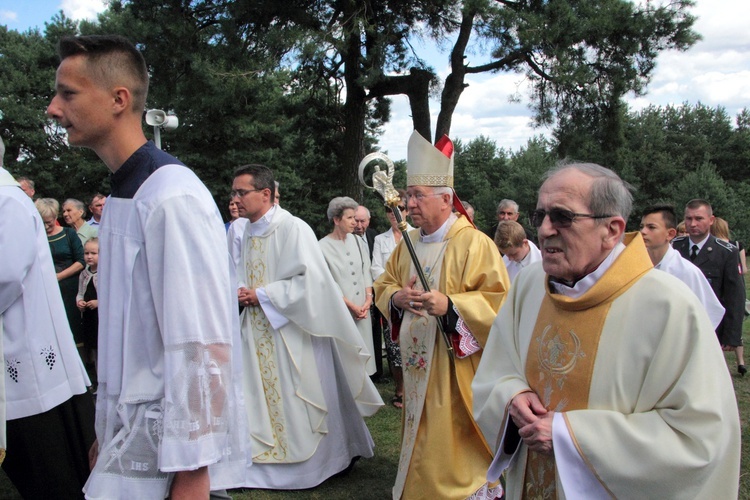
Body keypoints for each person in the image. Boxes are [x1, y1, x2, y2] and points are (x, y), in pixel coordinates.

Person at [46, 34, 247, 498]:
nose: (54, 109)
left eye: (68, 93)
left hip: (169, 446)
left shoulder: (171, 195)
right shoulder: (123, 196)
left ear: (119, 99)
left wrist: (193, 475)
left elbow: (202, 344)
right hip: (130, 427)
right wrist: (107, 428)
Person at [473, 163, 741, 499]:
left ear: (612, 230)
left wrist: (569, 436)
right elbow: (496, 368)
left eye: (562, 217)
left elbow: (698, 438)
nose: (543, 229)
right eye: (539, 215)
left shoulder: (668, 306)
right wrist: (512, 395)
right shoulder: (529, 285)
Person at [374, 130, 509, 499]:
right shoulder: (409, 244)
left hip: (452, 368)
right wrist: (397, 297)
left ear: (446, 200)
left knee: (447, 434)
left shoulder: (473, 243)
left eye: (418, 196)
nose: (409, 204)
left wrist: (452, 306)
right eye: (408, 196)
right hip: (418, 362)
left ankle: (458, 488)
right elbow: (383, 285)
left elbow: (498, 302)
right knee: (418, 429)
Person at [230, 164, 382, 489]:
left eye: (242, 192)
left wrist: (264, 294)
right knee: (254, 395)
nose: (236, 199)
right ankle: (257, 466)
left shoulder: (293, 228)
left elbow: (311, 282)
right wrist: (241, 290)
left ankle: (318, 464)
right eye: (235, 192)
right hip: (255, 328)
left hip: (293, 328)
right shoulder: (242, 231)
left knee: (302, 397)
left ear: (266, 194)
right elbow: (238, 270)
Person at [0, 137, 95, 499]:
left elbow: (5, 275)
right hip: (22, 343)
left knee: (50, 466)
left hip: (24, 348)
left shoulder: (7, 203)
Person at [673, 199, 746, 376]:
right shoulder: (675, 247)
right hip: (678, 323)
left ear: (711, 220)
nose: (692, 224)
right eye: (688, 218)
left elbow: (734, 296)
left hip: (710, 325)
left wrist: (731, 335)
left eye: (699, 218)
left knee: (706, 374)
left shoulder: (727, 252)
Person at [640, 204, 725, 329]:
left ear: (670, 234)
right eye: (641, 226)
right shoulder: (637, 266)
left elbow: (708, 314)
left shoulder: (687, 272)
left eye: (651, 227)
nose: (643, 232)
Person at [320, 197, 377, 376]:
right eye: (350, 218)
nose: (355, 222)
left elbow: (366, 271)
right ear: (337, 220)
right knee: (346, 360)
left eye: (356, 218)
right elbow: (328, 283)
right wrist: (351, 306)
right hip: (341, 310)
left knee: (364, 356)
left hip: (363, 310)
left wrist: (368, 300)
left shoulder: (359, 242)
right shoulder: (321, 247)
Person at [371, 190, 414, 409]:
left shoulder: (417, 235)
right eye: (389, 209)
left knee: (415, 343)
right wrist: (395, 290)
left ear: (407, 209)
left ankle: (416, 386)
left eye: (399, 208)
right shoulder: (380, 239)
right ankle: (399, 389)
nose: (394, 213)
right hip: (392, 299)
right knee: (394, 345)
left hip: (414, 297)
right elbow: (376, 268)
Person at [36, 197, 85, 349]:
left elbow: (80, 262)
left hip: (69, 289)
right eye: (42, 222)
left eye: (48, 222)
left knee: (73, 326)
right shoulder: (36, 237)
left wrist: (58, 277)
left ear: (55, 217)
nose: (45, 226)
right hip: (45, 290)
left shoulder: (69, 234)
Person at [708, 215, 747, 374]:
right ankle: (741, 361)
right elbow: (743, 269)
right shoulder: (737, 245)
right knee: (734, 323)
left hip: (718, 291)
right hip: (736, 286)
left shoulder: (719, 249)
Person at [353, 204, 382, 378]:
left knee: (376, 332)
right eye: (355, 220)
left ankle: (377, 370)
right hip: (356, 292)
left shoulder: (374, 237)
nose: (358, 225)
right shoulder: (346, 238)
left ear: (368, 221)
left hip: (375, 291)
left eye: (362, 221)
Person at [77, 237, 100, 381]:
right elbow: (80, 292)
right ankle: (94, 377)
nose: (89, 256)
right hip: (89, 317)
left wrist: (99, 302)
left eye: (93, 253)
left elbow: (111, 294)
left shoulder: (105, 273)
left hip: (100, 317)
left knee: (101, 347)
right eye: (86, 253)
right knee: (91, 347)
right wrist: (79, 301)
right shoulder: (84, 274)